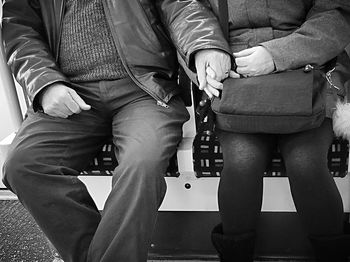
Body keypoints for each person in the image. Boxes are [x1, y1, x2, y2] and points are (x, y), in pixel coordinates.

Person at [0, 1, 230, 261]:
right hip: (67, 91)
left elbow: (181, 5)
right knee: (23, 165)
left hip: (144, 88)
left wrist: (204, 43)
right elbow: (19, 29)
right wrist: (44, 83)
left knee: (141, 163)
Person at [160, 0, 350, 261]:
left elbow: (335, 11)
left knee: (306, 163)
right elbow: (186, 8)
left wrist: (277, 55)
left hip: (309, 63)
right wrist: (205, 49)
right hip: (234, 67)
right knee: (242, 163)